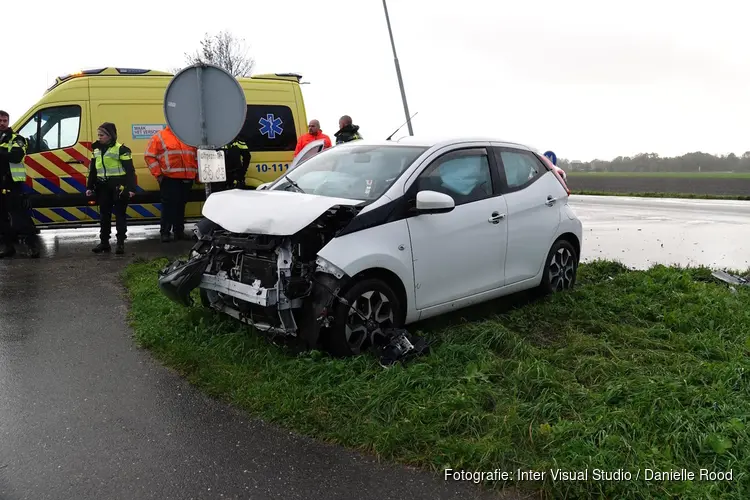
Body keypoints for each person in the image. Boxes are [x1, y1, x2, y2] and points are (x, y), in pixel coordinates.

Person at [86, 123, 136, 254]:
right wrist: (89, 187)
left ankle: (120, 243)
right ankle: (104, 243)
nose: (99, 137)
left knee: (120, 215)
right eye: (98, 135)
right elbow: (93, 170)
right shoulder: (96, 149)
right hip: (102, 186)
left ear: (110, 136)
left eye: (102, 135)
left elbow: (130, 171)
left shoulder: (121, 150)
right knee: (104, 216)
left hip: (118, 187)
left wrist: (131, 189)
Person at [144, 126, 198, 242]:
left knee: (181, 206)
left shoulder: (188, 136)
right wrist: (158, 174)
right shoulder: (160, 136)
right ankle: (165, 232)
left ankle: (179, 232)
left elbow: (196, 156)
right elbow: (149, 156)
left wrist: (197, 175)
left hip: (187, 178)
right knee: (168, 206)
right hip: (169, 178)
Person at [0, 110, 39, 258]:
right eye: (0, 121)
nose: (2, 123)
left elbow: (16, 156)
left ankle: (32, 246)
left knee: (20, 216)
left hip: (12, 184)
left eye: (5, 120)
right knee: (2, 219)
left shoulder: (17, 138)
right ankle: (8, 247)